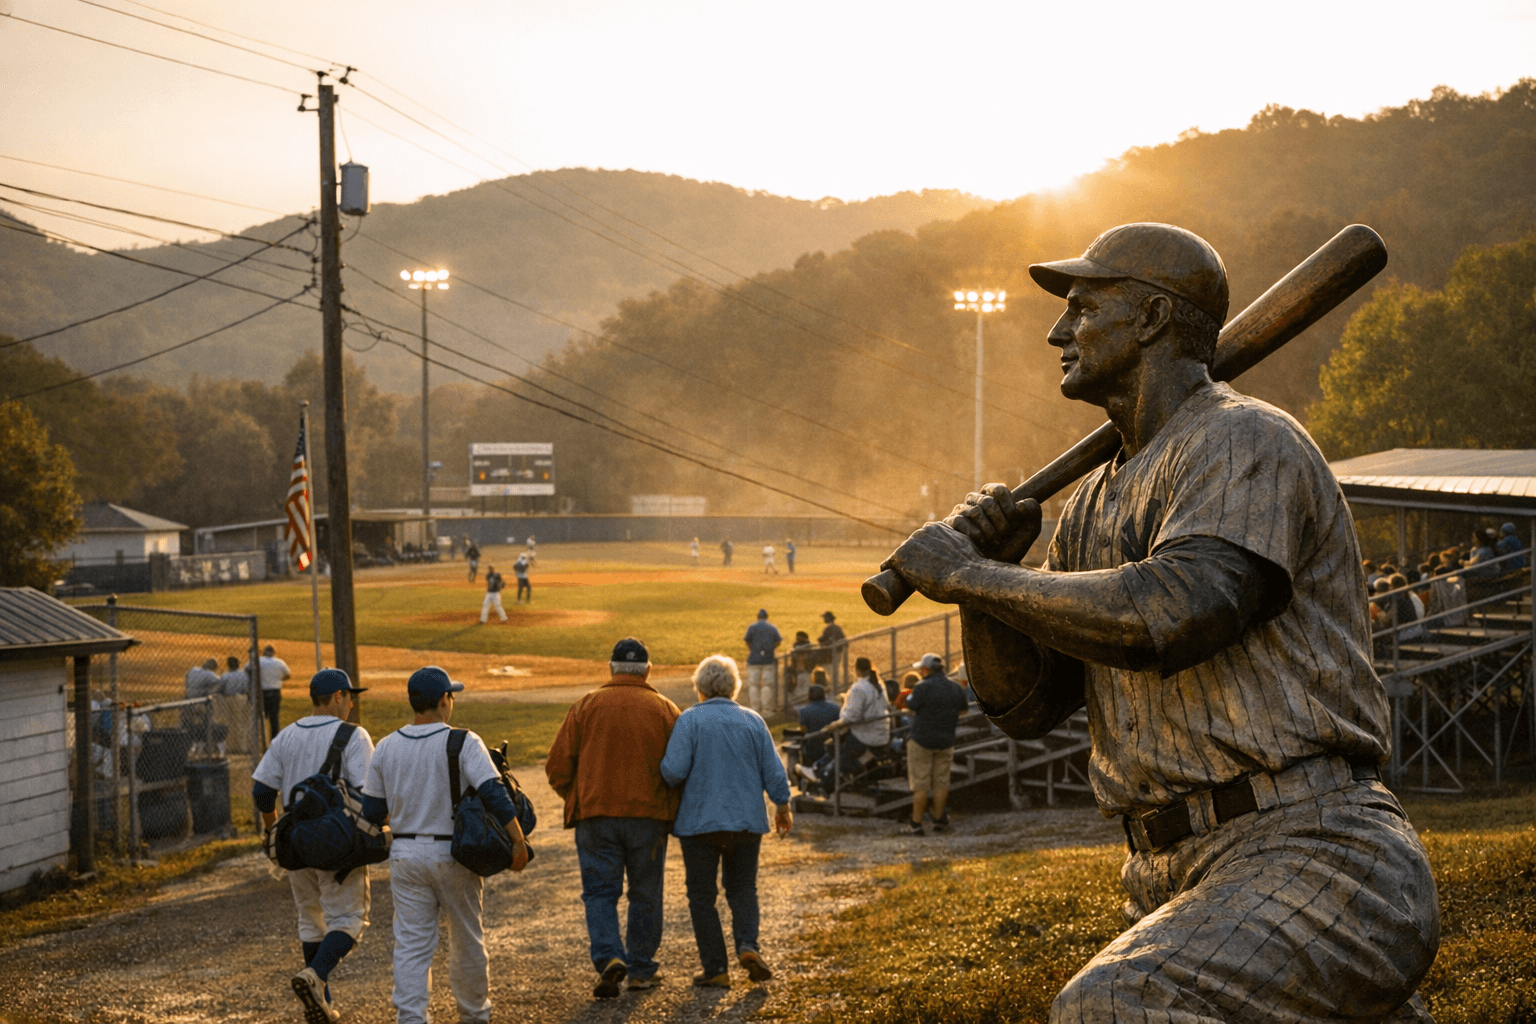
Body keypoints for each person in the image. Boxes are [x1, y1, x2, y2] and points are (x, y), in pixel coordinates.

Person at [882, 223, 1438, 1023]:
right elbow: (1027, 707)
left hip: (1314, 847)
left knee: (1115, 1003)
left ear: (1149, 320)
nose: (1058, 330)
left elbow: (1171, 613)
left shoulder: (1245, 438)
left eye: (1082, 308)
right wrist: (986, 594)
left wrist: (969, 572)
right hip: (1170, 866)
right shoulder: (1092, 504)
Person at [361, 666, 527, 1024]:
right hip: (455, 855)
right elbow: (495, 796)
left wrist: (410, 809)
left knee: (411, 946)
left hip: (405, 856)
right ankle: (474, 1016)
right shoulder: (464, 741)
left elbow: (373, 812)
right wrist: (518, 840)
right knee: (466, 938)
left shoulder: (386, 746)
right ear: (443, 701)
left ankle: (411, 1019)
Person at [545, 638, 681, 997]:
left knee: (600, 892)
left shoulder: (586, 705)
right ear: (648, 670)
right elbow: (682, 769)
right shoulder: (665, 709)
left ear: (611, 668)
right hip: (647, 817)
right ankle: (640, 970)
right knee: (645, 894)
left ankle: (608, 957)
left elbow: (557, 768)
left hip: (595, 816)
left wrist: (579, 797)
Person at [660, 655, 794, 988]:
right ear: (734, 686)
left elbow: (673, 772)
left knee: (702, 897)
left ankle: (715, 967)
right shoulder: (753, 720)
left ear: (700, 687)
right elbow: (774, 772)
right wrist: (783, 806)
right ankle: (748, 944)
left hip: (699, 823)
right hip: (747, 823)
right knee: (743, 888)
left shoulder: (690, 720)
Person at [252, 668, 374, 1024]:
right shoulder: (353, 735)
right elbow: (368, 795)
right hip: (337, 844)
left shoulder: (287, 735)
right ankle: (316, 975)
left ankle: (322, 1003)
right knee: (349, 917)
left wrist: (273, 830)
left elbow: (262, 791)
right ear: (337, 697)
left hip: (295, 841)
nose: (351, 703)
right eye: (349, 696)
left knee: (311, 920)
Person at [901, 654, 970, 836]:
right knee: (941, 783)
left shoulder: (922, 686)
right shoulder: (955, 687)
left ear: (926, 670)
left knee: (921, 785)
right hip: (946, 740)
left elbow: (911, 705)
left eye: (921, 669)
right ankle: (939, 820)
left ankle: (916, 824)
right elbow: (964, 709)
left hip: (921, 740)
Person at [837, 657, 890, 775]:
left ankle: (855, 771)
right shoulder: (879, 685)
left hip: (866, 735)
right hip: (882, 733)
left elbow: (851, 716)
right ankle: (866, 761)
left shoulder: (858, 687)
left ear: (857, 670)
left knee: (840, 758)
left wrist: (838, 720)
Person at [742, 609, 782, 714]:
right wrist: (772, 648)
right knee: (767, 685)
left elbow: (747, 640)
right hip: (768, 659)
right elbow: (778, 641)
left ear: (757, 616)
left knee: (753, 684)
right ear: (767, 617)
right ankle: (766, 709)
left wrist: (752, 649)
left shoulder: (752, 627)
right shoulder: (772, 627)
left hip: (754, 659)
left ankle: (755, 708)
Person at [796, 681, 842, 766]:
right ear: (824, 694)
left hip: (812, 750)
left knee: (796, 744)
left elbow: (803, 730)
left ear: (809, 696)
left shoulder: (803, 711)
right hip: (833, 748)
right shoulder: (836, 707)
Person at [255, 644, 291, 743]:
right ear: (274, 653)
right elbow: (288, 674)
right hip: (275, 692)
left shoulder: (259, 661)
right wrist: (279, 680)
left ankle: (258, 741)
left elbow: (248, 670)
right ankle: (274, 741)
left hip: (262, 692)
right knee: (274, 718)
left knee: (260, 717)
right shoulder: (280, 662)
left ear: (264, 652)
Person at [816, 611, 847, 690]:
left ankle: (834, 688)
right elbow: (843, 640)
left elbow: (821, 640)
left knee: (830, 672)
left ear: (828, 618)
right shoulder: (838, 627)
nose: (823, 619)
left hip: (829, 654)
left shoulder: (828, 628)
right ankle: (837, 688)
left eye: (824, 617)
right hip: (838, 652)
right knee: (835, 671)